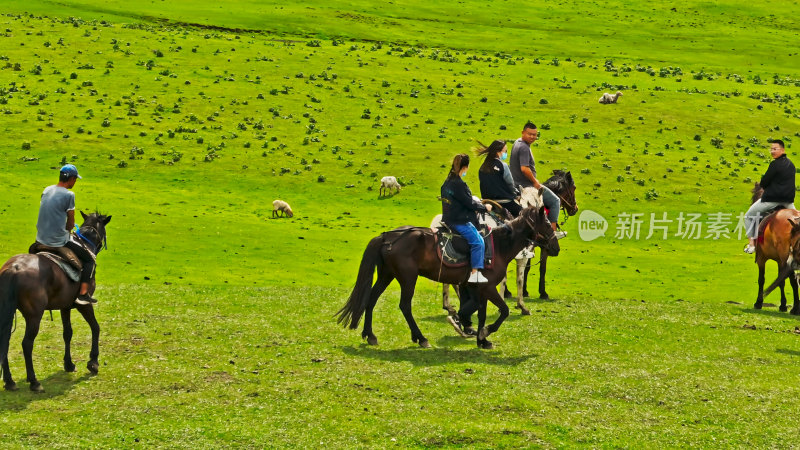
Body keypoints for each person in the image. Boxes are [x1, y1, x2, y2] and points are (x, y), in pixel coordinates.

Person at [36, 164, 98, 305]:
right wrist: (69, 229)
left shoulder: (47, 190)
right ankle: (83, 294)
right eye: (75, 179)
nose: (75, 182)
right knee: (89, 260)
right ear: (70, 179)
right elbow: (70, 222)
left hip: (40, 238)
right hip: (58, 240)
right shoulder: (69, 194)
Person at [509, 121, 566, 239]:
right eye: (530, 134)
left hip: (516, 184)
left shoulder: (517, 142)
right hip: (527, 186)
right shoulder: (524, 147)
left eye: (535, 135)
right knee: (555, 201)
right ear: (523, 133)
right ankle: (553, 234)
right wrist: (535, 182)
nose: (532, 137)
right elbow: (524, 169)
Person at [441, 154, 492, 284]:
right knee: (478, 241)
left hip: (448, 218)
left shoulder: (447, 182)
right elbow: (469, 203)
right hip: (459, 221)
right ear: (465, 167)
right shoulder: (458, 184)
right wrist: (484, 208)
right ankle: (474, 273)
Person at [743, 139, 796, 254]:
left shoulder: (774, 164)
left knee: (748, 216)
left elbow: (764, 182)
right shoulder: (791, 165)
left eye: (775, 149)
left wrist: (767, 186)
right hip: (788, 202)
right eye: (771, 149)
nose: (772, 151)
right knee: (798, 221)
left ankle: (751, 244)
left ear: (782, 150)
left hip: (772, 200)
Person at [478, 140, 522, 217]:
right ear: (498, 152)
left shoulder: (482, 166)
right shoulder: (503, 165)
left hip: (487, 201)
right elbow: (510, 184)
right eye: (505, 151)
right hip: (504, 202)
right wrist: (516, 195)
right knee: (524, 215)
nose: (506, 153)